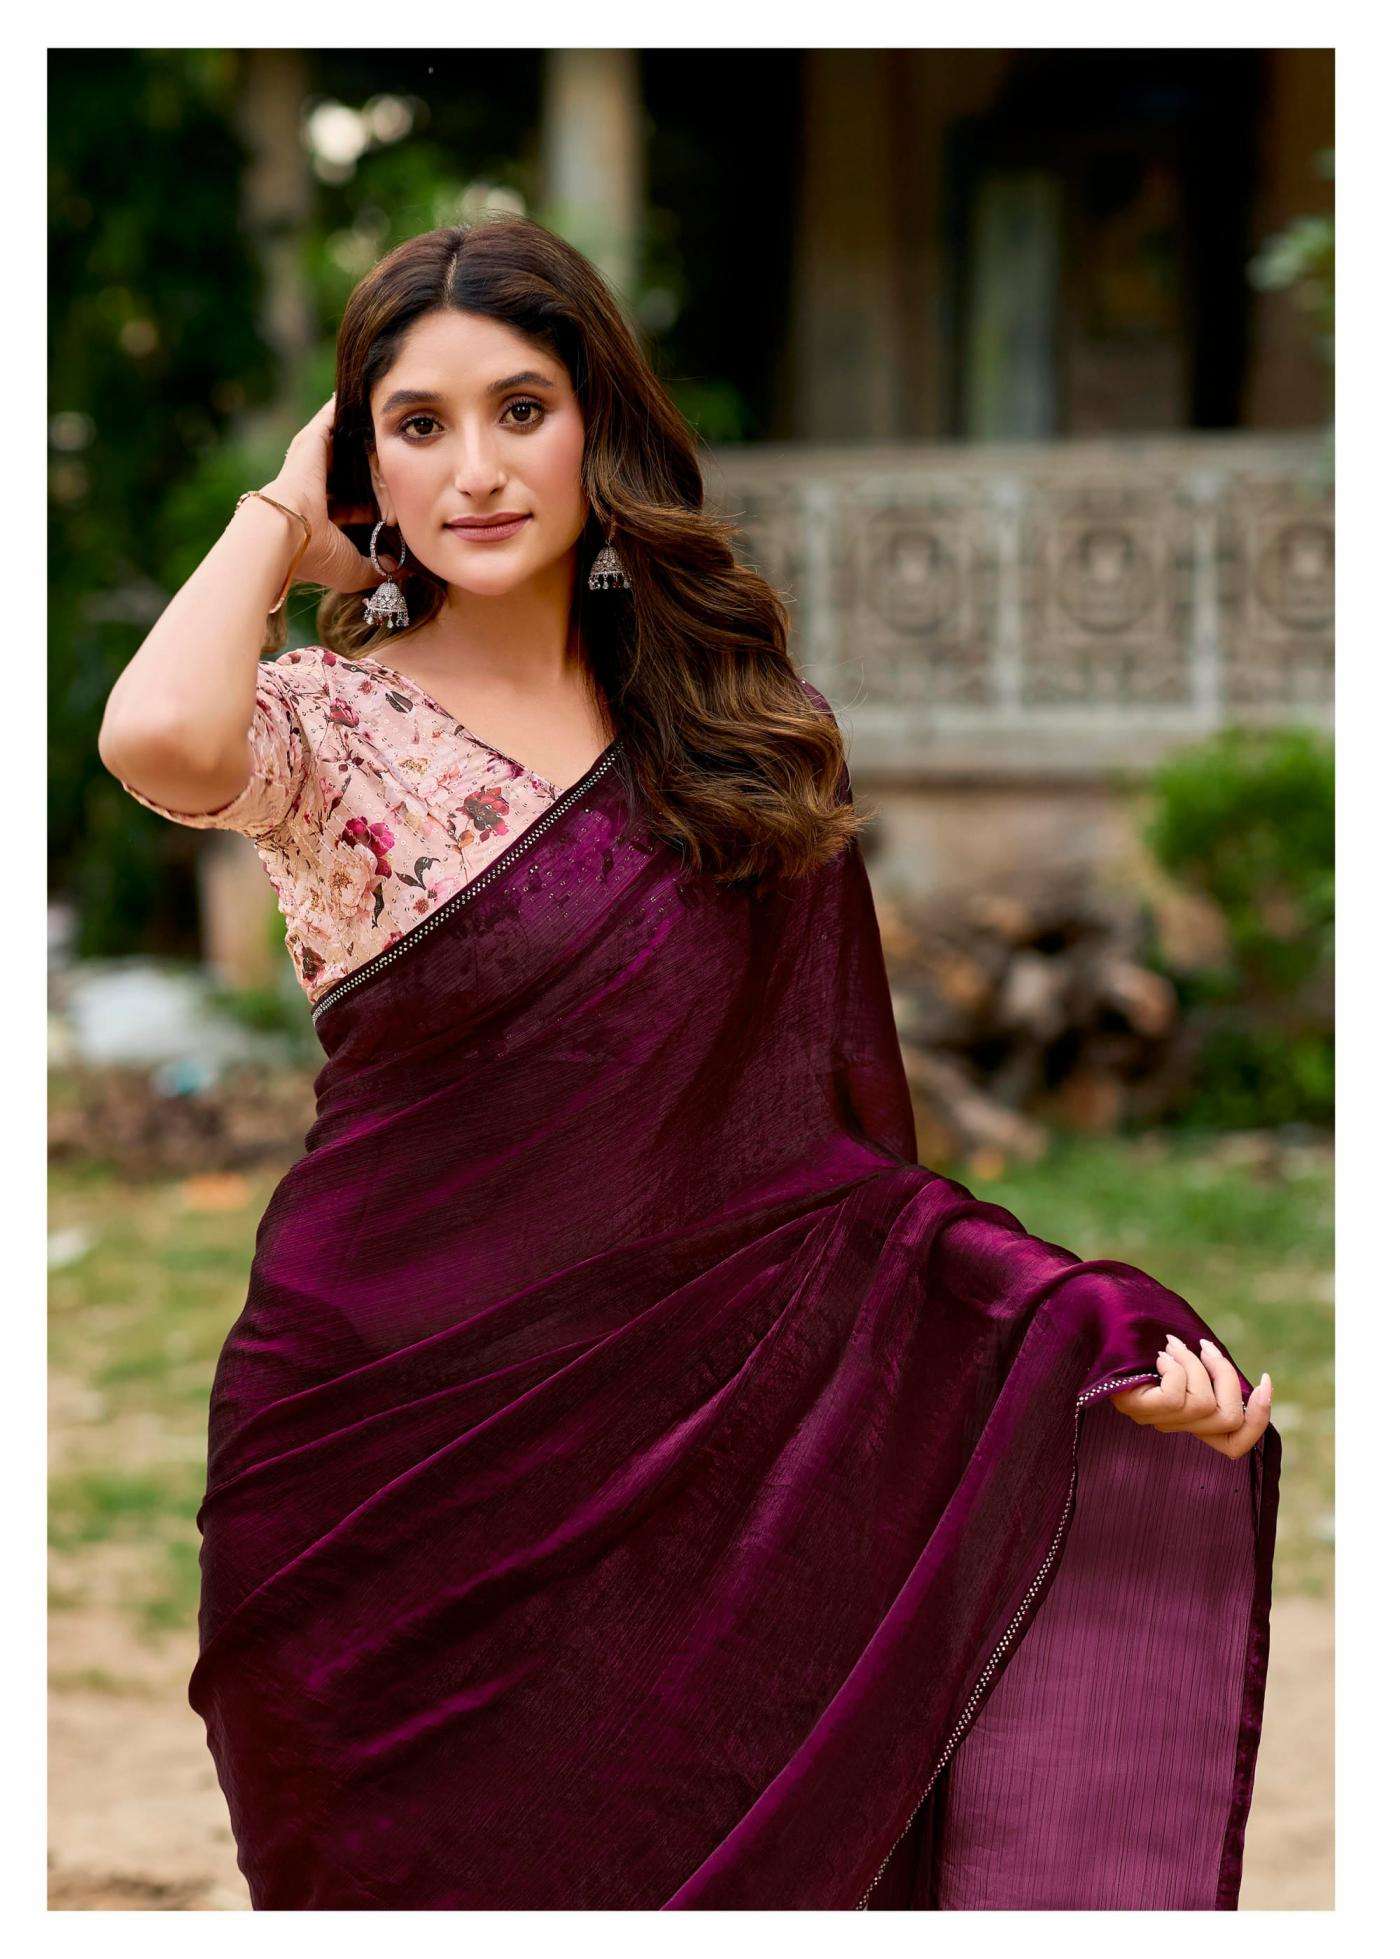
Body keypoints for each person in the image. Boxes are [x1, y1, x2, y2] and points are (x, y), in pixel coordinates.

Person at [98, 214, 1280, 1911]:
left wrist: (1079, 1324)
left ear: (600, 427)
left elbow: (831, 1181)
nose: (477, 468)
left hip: (682, 1464)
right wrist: (284, 515)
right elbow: (156, 737)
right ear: (368, 466)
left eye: (523, 408)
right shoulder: (327, 723)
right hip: (370, 1463)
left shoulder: (734, 737)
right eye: (418, 424)